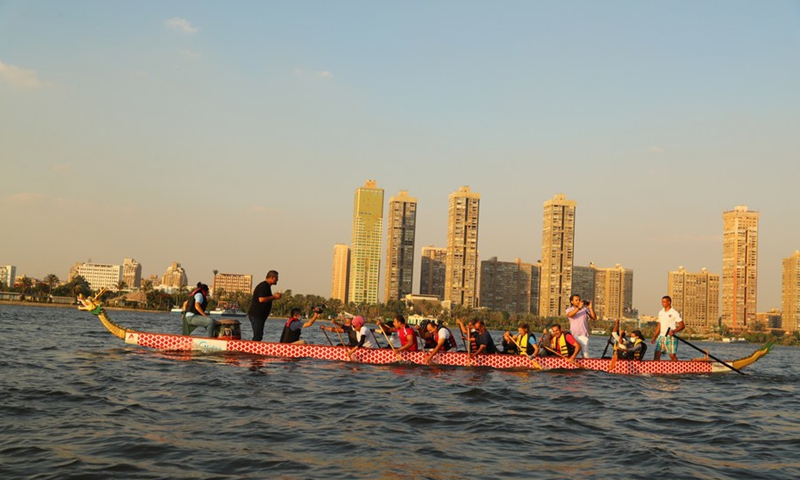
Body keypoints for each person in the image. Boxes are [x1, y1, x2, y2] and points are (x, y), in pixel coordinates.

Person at [247, 271, 281, 342]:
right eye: (277, 278)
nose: (277, 280)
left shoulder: (266, 286)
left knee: (259, 335)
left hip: (259, 316)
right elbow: (261, 299)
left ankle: (254, 348)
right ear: (272, 277)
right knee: (257, 336)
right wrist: (274, 296)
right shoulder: (263, 286)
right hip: (256, 315)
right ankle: (253, 350)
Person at [652, 295, 685, 361]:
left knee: (672, 355)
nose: (662, 303)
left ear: (669, 302)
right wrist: (655, 336)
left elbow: (682, 326)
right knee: (657, 354)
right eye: (662, 302)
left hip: (671, 337)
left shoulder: (674, 313)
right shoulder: (661, 312)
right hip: (661, 336)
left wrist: (673, 331)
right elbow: (659, 324)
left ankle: (677, 367)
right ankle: (656, 370)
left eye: (664, 302)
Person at [566, 294, 596, 358]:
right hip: (573, 335)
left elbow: (594, 318)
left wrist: (590, 308)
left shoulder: (585, 310)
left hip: (583, 335)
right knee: (571, 353)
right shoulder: (569, 309)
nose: (578, 301)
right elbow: (570, 315)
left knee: (585, 355)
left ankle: (586, 366)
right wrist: (579, 308)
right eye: (576, 300)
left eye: (579, 300)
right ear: (572, 302)